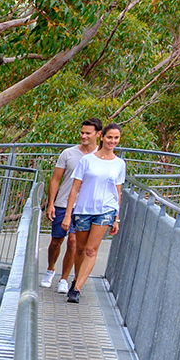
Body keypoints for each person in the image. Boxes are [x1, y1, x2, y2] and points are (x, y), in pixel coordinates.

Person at [57, 123, 128, 303]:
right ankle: (75, 279)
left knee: (90, 250)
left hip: (105, 210)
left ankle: (77, 289)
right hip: (83, 210)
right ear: (102, 137)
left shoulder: (119, 164)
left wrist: (116, 218)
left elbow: (117, 192)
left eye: (116, 138)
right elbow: (74, 189)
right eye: (109, 137)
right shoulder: (87, 160)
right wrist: (67, 215)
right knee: (79, 248)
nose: (112, 141)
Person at [41, 118, 100, 288]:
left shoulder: (99, 157)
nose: (83, 136)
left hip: (83, 208)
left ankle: (64, 279)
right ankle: (50, 269)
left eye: (88, 133)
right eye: (82, 132)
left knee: (74, 241)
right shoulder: (68, 153)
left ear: (98, 134)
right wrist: (51, 203)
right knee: (56, 241)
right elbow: (56, 179)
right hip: (62, 204)